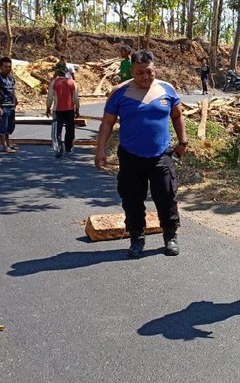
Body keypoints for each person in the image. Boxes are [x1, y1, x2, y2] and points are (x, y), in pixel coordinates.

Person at [95, 49, 188, 258]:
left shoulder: (167, 89)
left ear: (154, 68)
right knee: (132, 199)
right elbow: (107, 123)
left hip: (161, 154)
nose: (145, 77)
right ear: (131, 71)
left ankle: (170, 236)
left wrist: (183, 141)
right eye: (139, 73)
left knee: (166, 196)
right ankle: (137, 237)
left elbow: (177, 115)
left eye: (149, 72)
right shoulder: (120, 92)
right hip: (131, 156)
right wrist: (100, 150)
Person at [46, 62, 80, 158]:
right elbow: (76, 98)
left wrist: (48, 107)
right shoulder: (71, 82)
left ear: (57, 71)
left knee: (57, 131)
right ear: (65, 71)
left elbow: (50, 97)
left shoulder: (54, 82)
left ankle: (58, 149)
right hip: (69, 109)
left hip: (58, 110)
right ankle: (68, 148)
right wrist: (77, 108)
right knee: (70, 129)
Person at [0, 57, 17, 154]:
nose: (8, 68)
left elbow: (12, 90)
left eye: (9, 66)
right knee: (2, 126)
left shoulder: (11, 77)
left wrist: (15, 99)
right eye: (5, 66)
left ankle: (8, 143)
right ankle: (3, 146)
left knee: (9, 126)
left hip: (11, 105)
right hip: (3, 105)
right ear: (1, 67)